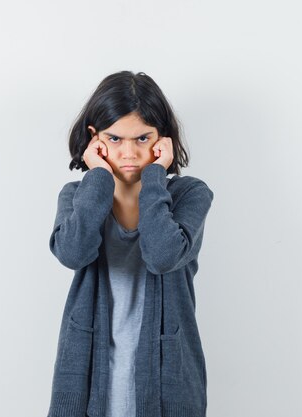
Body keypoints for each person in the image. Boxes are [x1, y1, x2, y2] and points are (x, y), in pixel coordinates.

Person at [47, 71, 214, 417]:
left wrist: (155, 176)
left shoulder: (189, 195)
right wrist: (98, 178)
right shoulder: (78, 197)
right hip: (89, 375)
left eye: (142, 139)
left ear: (162, 140)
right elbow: (73, 253)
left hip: (167, 380)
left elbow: (162, 254)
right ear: (95, 139)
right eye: (115, 138)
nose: (129, 152)